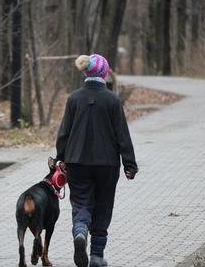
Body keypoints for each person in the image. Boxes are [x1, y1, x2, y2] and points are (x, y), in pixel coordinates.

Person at [55, 54, 138, 267]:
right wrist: (129, 163)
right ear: (104, 73)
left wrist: (60, 158)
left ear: (86, 73)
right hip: (106, 164)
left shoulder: (74, 99)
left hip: (76, 161)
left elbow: (64, 132)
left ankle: (80, 230)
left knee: (81, 202)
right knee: (103, 206)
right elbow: (122, 135)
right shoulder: (112, 100)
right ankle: (96, 257)